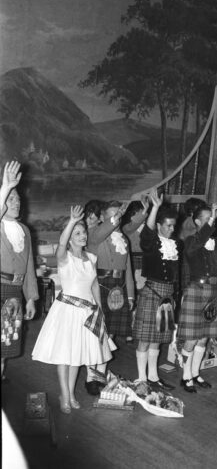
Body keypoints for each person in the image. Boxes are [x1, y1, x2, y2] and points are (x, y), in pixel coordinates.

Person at [32, 206, 116, 413]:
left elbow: (94, 284)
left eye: (83, 232)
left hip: (87, 312)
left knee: (76, 356)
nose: (82, 236)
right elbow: (61, 244)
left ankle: (70, 393)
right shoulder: (64, 257)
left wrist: (99, 308)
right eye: (77, 233)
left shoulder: (92, 258)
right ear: (69, 238)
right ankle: (65, 395)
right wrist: (71, 222)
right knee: (65, 355)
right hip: (67, 311)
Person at [132, 189, 181, 391]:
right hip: (151, 293)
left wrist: (176, 295)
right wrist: (155, 208)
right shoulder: (151, 243)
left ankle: (153, 377)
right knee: (144, 338)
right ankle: (142, 378)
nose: (171, 229)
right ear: (159, 225)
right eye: (168, 226)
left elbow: (177, 273)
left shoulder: (177, 244)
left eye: (173, 226)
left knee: (158, 339)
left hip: (167, 296)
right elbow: (147, 233)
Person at [83, 199, 130, 395]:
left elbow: (128, 270)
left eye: (118, 214)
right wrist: (114, 218)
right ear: (102, 217)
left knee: (109, 335)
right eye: (111, 215)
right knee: (96, 335)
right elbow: (103, 230)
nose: (116, 218)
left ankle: (100, 374)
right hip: (99, 287)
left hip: (119, 289)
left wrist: (132, 296)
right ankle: (90, 377)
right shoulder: (95, 233)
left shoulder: (124, 238)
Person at [177, 203, 217, 393]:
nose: (210, 222)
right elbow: (193, 248)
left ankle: (195, 373)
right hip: (195, 289)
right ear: (197, 221)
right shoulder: (190, 241)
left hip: (212, 290)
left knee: (204, 338)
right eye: (206, 218)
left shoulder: (216, 243)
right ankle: (185, 375)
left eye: (212, 218)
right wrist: (212, 220)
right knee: (191, 338)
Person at [1, 161, 39, 380]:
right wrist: (6, 186)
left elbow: (28, 268)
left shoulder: (24, 229)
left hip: (15, 293)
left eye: (18, 199)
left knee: (5, 346)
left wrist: (31, 299)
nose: (17, 203)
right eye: (11, 199)